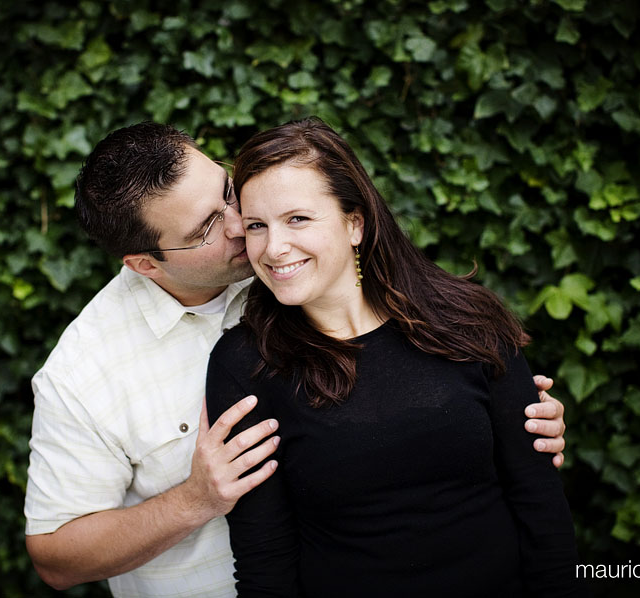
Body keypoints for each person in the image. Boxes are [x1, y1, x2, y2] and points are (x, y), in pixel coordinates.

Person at [23, 122, 569, 598]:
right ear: (147, 264)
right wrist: (193, 500)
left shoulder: (284, 245)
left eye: (228, 193)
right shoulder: (85, 373)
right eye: (206, 230)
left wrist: (506, 414)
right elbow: (54, 557)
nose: (243, 227)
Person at [206, 117, 585, 597]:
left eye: (297, 218)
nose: (274, 248)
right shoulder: (245, 366)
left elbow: (541, 510)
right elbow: (266, 561)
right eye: (257, 226)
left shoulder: (466, 321)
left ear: (354, 224)